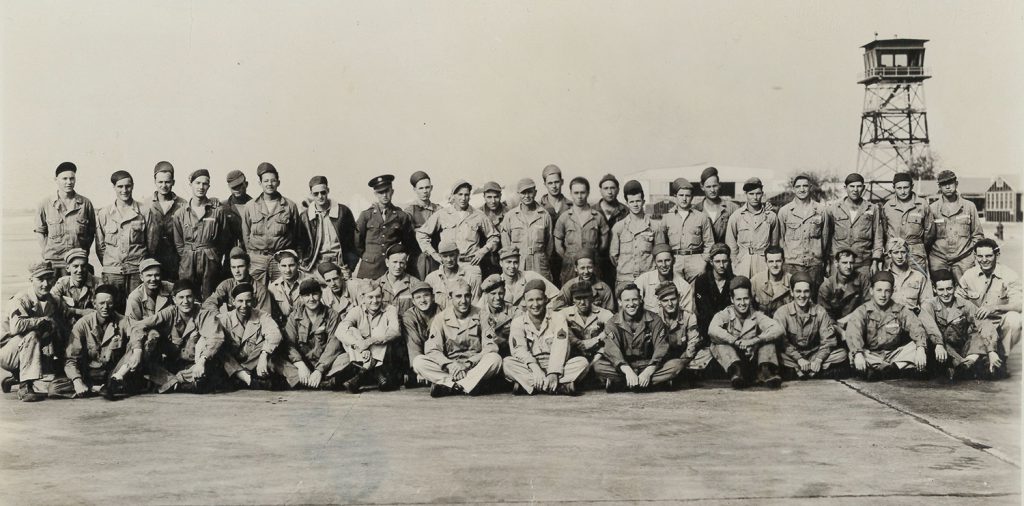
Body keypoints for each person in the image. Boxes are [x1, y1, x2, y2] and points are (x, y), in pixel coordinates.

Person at [125, 280, 227, 394]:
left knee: (213, 362)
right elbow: (138, 326)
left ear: (194, 298)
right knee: (149, 340)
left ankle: (174, 383)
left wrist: (201, 361)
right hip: (171, 363)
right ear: (174, 300)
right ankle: (180, 383)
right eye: (181, 297)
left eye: (189, 297)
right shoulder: (169, 312)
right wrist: (138, 351)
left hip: (195, 364)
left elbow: (216, 338)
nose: (185, 301)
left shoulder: (204, 314)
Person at [414, 279, 503, 397]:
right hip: (451, 368)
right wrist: (450, 365)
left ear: (471, 296)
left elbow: (490, 346)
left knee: (495, 358)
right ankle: (465, 385)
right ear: (450, 298)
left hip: (474, 367)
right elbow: (433, 350)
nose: (463, 301)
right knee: (419, 362)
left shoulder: (482, 315)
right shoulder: (440, 318)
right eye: (458, 296)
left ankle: (451, 386)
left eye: (467, 296)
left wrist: (467, 364)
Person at [0, 262, 72, 402]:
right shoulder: (21, 299)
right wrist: (41, 320)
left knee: (57, 329)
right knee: (32, 335)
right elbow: (16, 327)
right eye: (40, 279)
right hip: (7, 351)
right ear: (31, 280)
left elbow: (64, 324)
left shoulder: (54, 300)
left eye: (49, 278)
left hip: (30, 350)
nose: (46, 284)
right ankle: (25, 387)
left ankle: (16, 378)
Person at [503, 280, 589, 395]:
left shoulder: (558, 317)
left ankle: (530, 386)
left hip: (556, 364)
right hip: (532, 367)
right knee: (508, 363)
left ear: (546, 299)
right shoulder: (518, 322)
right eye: (531, 300)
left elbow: (561, 345)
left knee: (582, 363)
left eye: (539, 299)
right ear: (524, 302)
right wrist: (535, 368)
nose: (535, 304)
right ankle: (559, 387)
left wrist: (553, 372)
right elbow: (519, 350)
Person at [592, 283, 682, 392]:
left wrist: (649, 370)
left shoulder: (655, 319)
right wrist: (627, 370)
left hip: (648, 364)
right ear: (620, 302)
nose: (631, 304)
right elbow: (611, 349)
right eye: (627, 300)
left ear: (640, 299)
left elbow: (661, 347)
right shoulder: (612, 323)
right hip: (625, 367)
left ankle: (622, 384)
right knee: (598, 366)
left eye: (634, 299)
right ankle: (654, 384)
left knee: (676, 365)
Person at [844, 271, 930, 381]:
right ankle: (898, 370)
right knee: (855, 354)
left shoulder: (900, 309)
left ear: (892, 292)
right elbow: (853, 332)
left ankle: (887, 370)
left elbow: (916, 327)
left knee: (916, 347)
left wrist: (921, 348)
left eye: (887, 291)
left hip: (894, 355)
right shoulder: (862, 311)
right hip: (872, 355)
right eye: (879, 290)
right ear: (871, 291)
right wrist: (858, 353)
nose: (883, 295)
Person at [920, 269, 1004, 381]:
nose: (945, 293)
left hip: (964, 349)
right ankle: (965, 366)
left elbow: (984, 324)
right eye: (941, 289)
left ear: (955, 287)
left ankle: (967, 364)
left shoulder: (965, 304)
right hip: (943, 351)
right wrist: (939, 344)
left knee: (980, 333)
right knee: (931, 339)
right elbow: (930, 327)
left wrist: (992, 351)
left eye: (949, 289)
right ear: (934, 289)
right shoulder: (928, 306)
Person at [54, 284, 131, 399]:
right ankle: (99, 388)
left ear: (114, 304)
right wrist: (77, 381)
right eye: (101, 303)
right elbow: (71, 359)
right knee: (54, 389)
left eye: (109, 303)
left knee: (135, 349)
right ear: (94, 304)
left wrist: (120, 373)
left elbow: (137, 338)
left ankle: (110, 386)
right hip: (88, 374)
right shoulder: (82, 324)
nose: (105, 307)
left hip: (113, 373)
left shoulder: (123, 321)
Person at [96, 170, 157, 312]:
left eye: (128, 186)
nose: (124, 190)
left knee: (137, 307)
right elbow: (100, 246)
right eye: (120, 187)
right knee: (112, 309)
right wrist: (111, 264)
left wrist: (142, 265)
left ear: (133, 186)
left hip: (136, 270)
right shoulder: (104, 213)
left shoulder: (144, 211)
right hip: (113, 271)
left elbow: (152, 244)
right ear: (114, 188)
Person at [708, 276, 784, 389]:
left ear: (750, 298)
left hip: (752, 360)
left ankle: (767, 373)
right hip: (732, 360)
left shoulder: (757, 315)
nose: (742, 303)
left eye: (746, 298)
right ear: (732, 299)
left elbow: (778, 328)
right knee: (719, 344)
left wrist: (755, 340)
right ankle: (736, 374)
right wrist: (736, 341)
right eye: (738, 299)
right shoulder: (725, 314)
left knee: (768, 341)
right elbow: (712, 330)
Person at [416, 180, 499, 280]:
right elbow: (421, 234)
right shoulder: (442, 214)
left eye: (466, 195)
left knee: (474, 295)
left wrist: (483, 251)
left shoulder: (478, 215)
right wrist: (434, 255)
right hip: (448, 267)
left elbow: (494, 237)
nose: (463, 198)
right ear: (453, 195)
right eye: (460, 194)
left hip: (471, 265)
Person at [773, 273, 848, 380]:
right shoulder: (781, 313)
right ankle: (810, 371)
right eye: (798, 291)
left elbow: (828, 341)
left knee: (842, 354)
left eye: (806, 291)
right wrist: (799, 359)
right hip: (792, 357)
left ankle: (801, 371)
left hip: (814, 353)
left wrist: (818, 359)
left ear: (811, 293)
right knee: (776, 355)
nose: (802, 295)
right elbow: (782, 342)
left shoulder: (820, 311)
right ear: (791, 292)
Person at [281, 279, 353, 390]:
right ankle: (316, 381)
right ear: (301, 298)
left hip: (326, 364)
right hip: (303, 363)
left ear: (321, 294)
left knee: (348, 357)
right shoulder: (293, 317)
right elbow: (289, 344)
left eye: (315, 294)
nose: (311, 299)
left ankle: (305, 382)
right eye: (306, 295)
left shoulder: (332, 315)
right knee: (276, 357)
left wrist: (319, 370)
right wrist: (300, 364)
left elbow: (334, 345)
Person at [219, 283, 292, 390]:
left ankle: (241, 377)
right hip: (231, 362)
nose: (244, 305)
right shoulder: (224, 319)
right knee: (219, 345)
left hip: (253, 362)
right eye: (240, 301)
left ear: (254, 301)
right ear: (233, 302)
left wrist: (264, 355)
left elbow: (275, 334)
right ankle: (244, 377)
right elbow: (211, 338)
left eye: (248, 301)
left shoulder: (262, 315)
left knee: (268, 343)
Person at [241, 162, 303, 286]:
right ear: (260, 183)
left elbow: (297, 235)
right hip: (257, 259)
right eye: (266, 181)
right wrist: (252, 255)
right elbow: (246, 234)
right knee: (256, 294)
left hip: (281, 259)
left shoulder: (289, 206)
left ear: (278, 183)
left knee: (282, 293)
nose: (270, 184)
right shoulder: (250, 206)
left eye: (273, 180)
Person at [173, 169, 232, 299]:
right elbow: (178, 242)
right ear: (191, 184)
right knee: (188, 295)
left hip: (210, 259)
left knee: (210, 297)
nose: (201, 187)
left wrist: (215, 255)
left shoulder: (217, 211)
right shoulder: (181, 213)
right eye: (197, 183)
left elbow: (224, 238)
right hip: (188, 260)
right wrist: (187, 256)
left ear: (208, 186)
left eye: (205, 184)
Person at [958, 238, 1021, 357]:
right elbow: (958, 299)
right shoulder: (969, 275)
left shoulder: (1009, 275)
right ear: (975, 256)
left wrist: (994, 307)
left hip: (999, 324)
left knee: (1015, 319)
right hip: (976, 325)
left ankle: (1003, 356)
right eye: (980, 256)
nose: (984, 260)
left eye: (989, 256)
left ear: (997, 255)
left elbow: (1019, 305)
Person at [335, 283, 403, 392]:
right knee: (352, 330)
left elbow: (395, 331)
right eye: (370, 297)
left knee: (382, 332)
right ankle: (376, 371)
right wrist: (361, 345)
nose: (375, 301)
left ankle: (361, 375)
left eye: (378, 296)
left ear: (383, 296)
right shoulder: (356, 310)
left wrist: (370, 341)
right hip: (362, 354)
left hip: (387, 357)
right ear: (362, 298)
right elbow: (340, 331)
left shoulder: (390, 309)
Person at [35, 162, 96, 278]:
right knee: (54, 295)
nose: (69, 182)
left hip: (77, 263)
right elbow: (40, 231)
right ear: (56, 179)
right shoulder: (45, 204)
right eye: (65, 178)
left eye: (72, 178)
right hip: (53, 263)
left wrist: (83, 251)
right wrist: (46, 251)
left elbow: (92, 232)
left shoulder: (85, 204)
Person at [609, 179, 668, 293]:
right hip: (625, 279)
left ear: (643, 201)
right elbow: (614, 256)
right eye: (632, 202)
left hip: (648, 278)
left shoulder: (655, 226)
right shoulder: (619, 227)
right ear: (627, 203)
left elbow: (660, 253)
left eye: (638, 201)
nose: (635, 204)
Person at [554, 176, 611, 285]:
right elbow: (558, 246)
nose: (579, 196)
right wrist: (571, 258)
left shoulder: (597, 217)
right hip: (570, 269)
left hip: (592, 268)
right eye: (576, 193)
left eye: (582, 192)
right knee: (570, 296)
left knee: (595, 296)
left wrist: (592, 256)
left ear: (588, 193)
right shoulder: (564, 217)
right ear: (571, 193)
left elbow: (604, 243)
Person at [929, 170, 984, 279]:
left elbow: (978, 235)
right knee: (941, 291)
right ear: (939, 187)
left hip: (964, 259)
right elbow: (928, 237)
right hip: (939, 260)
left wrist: (973, 257)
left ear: (956, 184)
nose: (948, 187)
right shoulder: (932, 209)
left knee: (966, 291)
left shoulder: (969, 207)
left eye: (950, 183)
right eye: (944, 184)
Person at [300, 175, 359, 277]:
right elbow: (300, 243)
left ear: (328, 190)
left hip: (339, 265)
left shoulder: (343, 212)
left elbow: (354, 241)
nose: (320, 196)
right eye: (316, 193)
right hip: (315, 266)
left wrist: (350, 266)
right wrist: (303, 261)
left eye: (323, 192)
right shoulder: (305, 216)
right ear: (311, 194)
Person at [825, 172, 882, 277]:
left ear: (864, 187)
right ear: (845, 188)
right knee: (838, 292)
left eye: (859, 186)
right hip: (839, 263)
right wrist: (828, 262)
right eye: (852, 186)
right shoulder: (833, 209)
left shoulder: (872, 208)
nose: (855, 190)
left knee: (863, 292)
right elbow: (827, 237)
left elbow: (878, 237)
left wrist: (875, 261)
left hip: (863, 263)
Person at [654, 281, 714, 381]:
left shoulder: (689, 317)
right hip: (662, 358)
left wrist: (683, 361)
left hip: (684, 356)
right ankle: (677, 374)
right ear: (659, 302)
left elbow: (693, 343)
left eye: (673, 299)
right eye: (665, 300)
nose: (670, 304)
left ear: (679, 297)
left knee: (707, 352)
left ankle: (676, 374)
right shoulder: (655, 318)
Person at [501, 177, 556, 281]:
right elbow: (506, 245)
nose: (526, 196)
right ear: (518, 194)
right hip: (518, 264)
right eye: (523, 193)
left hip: (540, 264)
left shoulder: (544, 215)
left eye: (529, 192)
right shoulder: (510, 216)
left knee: (541, 292)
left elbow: (549, 245)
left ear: (535, 193)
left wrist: (541, 258)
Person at [880, 172, 935, 275]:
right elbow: (883, 232)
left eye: (906, 187)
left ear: (912, 186)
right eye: (899, 188)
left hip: (915, 254)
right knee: (893, 284)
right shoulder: (888, 207)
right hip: (894, 253)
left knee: (918, 282)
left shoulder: (922, 205)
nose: (903, 191)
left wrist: (918, 247)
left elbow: (930, 233)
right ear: (894, 188)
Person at [725, 177, 780, 279]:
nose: (755, 197)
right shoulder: (736, 216)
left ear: (762, 194)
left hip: (763, 260)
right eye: (751, 194)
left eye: (758, 193)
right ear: (746, 194)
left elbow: (774, 243)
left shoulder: (771, 216)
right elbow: (731, 242)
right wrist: (735, 261)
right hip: (743, 260)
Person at [662, 177, 714, 282]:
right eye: (681, 195)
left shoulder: (702, 217)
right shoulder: (667, 218)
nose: (684, 199)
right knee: (676, 292)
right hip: (675, 261)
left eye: (687, 195)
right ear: (675, 196)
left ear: (692, 197)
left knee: (696, 294)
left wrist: (703, 262)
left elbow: (709, 243)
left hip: (696, 260)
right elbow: (662, 243)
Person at [202, 247, 277, 317]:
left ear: (248, 267)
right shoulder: (227, 284)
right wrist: (220, 317)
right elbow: (209, 303)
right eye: (233, 267)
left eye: (240, 266)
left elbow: (265, 317)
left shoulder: (260, 290)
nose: (236, 271)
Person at [558, 280, 614, 364]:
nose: (582, 303)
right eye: (578, 298)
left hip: (599, 357)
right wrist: (578, 342)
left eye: (585, 298)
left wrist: (596, 340)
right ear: (573, 299)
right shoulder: (564, 314)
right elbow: (560, 337)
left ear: (592, 297)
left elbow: (613, 331)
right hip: (573, 358)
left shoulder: (604, 313)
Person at [148, 161, 187, 281]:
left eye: (167, 182)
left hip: (176, 258)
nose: (163, 185)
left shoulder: (183, 204)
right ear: (155, 182)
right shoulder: (146, 204)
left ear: (173, 182)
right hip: (152, 257)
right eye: (160, 182)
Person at [125, 259, 175, 344]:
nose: (153, 279)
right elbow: (133, 327)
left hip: (171, 334)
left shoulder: (170, 288)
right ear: (141, 277)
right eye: (149, 275)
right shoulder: (135, 297)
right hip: (148, 338)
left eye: (157, 275)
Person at [634, 244, 693, 313]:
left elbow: (687, 314)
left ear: (674, 261)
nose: (664, 265)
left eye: (667, 260)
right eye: (660, 261)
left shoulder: (684, 286)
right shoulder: (643, 279)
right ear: (655, 263)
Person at [818, 249, 871, 326]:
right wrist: (840, 331)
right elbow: (824, 315)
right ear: (836, 263)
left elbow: (868, 305)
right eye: (844, 263)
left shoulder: (862, 279)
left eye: (851, 263)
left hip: (858, 322)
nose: (849, 266)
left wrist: (847, 319)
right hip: (833, 326)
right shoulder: (827, 285)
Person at [402, 279, 439, 386]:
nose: (422, 300)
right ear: (413, 301)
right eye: (418, 297)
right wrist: (419, 370)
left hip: (438, 354)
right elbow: (413, 343)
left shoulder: (441, 312)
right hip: (420, 357)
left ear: (433, 297)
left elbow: (441, 342)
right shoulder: (409, 316)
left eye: (426, 295)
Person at [693, 243, 735, 338]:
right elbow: (703, 311)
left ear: (729, 261)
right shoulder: (702, 281)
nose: (721, 265)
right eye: (717, 261)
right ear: (711, 262)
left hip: (729, 330)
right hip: (707, 330)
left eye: (725, 261)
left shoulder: (734, 281)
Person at [404, 171, 441, 278]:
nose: (425, 191)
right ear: (414, 190)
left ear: (431, 188)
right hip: (417, 260)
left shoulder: (439, 210)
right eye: (421, 188)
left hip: (436, 259)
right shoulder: (409, 212)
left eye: (427, 187)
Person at [424, 241, 482, 310]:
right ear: (440, 256)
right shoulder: (431, 279)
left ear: (458, 254)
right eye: (445, 256)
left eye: (452, 255)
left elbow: (475, 306)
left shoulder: (471, 277)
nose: (449, 260)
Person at [595, 174, 629, 288]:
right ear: (600, 190)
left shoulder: (625, 211)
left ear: (618, 190)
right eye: (606, 188)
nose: (609, 192)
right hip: (597, 261)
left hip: (619, 262)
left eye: (612, 188)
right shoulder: (592, 211)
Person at [50, 248, 99, 325]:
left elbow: (103, 310)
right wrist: (79, 311)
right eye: (75, 266)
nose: (80, 270)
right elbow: (51, 304)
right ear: (68, 268)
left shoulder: (98, 283)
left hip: (91, 324)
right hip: (69, 324)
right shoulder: (62, 283)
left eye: (83, 266)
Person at [693, 166, 739, 243]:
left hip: (726, 251)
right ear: (702, 187)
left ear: (719, 185)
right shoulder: (696, 210)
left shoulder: (732, 208)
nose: (712, 190)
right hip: (704, 252)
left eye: (715, 186)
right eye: (708, 187)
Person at [887, 238, 932, 314]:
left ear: (908, 253)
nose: (900, 256)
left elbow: (927, 304)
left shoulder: (919, 277)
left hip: (913, 320)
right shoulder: (884, 277)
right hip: (890, 319)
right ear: (889, 254)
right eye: (896, 252)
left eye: (903, 252)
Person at [477, 181, 509, 276]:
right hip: (484, 259)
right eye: (489, 197)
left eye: (496, 197)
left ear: (501, 196)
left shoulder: (509, 214)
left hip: (503, 258)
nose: (493, 201)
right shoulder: (478, 214)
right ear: (484, 197)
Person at [268, 249, 311, 319]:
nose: (287, 270)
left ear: (298, 265)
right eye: (284, 266)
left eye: (291, 265)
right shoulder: (273, 287)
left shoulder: (310, 282)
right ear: (279, 267)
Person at [478, 274, 515, 357]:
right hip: (487, 355)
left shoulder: (514, 311)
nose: (497, 297)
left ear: (505, 292)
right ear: (486, 295)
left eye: (500, 293)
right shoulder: (479, 314)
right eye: (493, 293)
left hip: (510, 354)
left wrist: (504, 342)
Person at [750, 246, 792, 317]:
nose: (774, 265)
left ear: (783, 261)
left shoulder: (791, 280)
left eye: (778, 261)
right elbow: (748, 305)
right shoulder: (756, 281)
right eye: (771, 261)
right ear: (766, 262)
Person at [375, 244, 416, 315]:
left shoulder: (414, 284)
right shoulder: (377, 285)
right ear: (387, 262)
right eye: (395, 262)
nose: (398, 266)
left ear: (406, 264)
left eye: (401, 263)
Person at [221, 169, 252, 249]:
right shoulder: (223, 207)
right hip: (231, 254)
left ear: (246, 184)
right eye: (233, 187)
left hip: (252, 252)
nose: (236, 190)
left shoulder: (256, 206)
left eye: (239, 186)